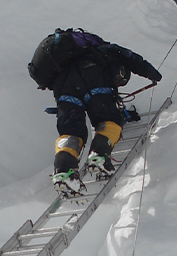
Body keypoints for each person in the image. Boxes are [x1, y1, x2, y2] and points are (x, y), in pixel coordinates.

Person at [30, 29, 162, 196]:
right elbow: (130, 57)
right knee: (109, 120)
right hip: (91, 74)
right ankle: (99, 155)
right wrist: (153, 74)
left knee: (71, 131)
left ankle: (63, 170)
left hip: (62, 86)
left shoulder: (72, 55)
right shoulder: (104, 49)